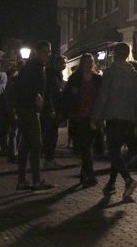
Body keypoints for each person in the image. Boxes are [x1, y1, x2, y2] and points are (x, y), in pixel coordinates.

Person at [93, 42, 137, 198]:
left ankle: (128, 180)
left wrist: (95, 117)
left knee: (114, 152)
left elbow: (103, 97)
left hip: (114, 117)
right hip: (129, 118)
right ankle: (111, 184)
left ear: (114, 54)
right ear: (127, 54)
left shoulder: (110, 73)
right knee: (117, 152)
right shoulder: (135, 75)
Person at [14, 41, 54, 191]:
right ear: (37, 52)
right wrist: (35, 98)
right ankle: (36, 181)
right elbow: (24, 88)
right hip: (29, 110)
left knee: (25, 146)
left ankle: (22, 181)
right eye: (44, 51)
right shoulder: (33, 67)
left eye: (48, 51)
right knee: (36, 145)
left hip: (28, 110)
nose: (47, 54)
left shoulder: (38, 67)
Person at [62, 53, 102, 187]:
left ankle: (84, 172)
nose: (88, 65)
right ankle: (90, 174)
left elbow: (102, 97)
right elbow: (66, 97)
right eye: (86, 62)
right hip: (79, 116)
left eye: (90, 62)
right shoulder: (74, 78)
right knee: (85, 146)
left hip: (93, 116)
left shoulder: (97, 79)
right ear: (81, 64)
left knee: (89, 146)